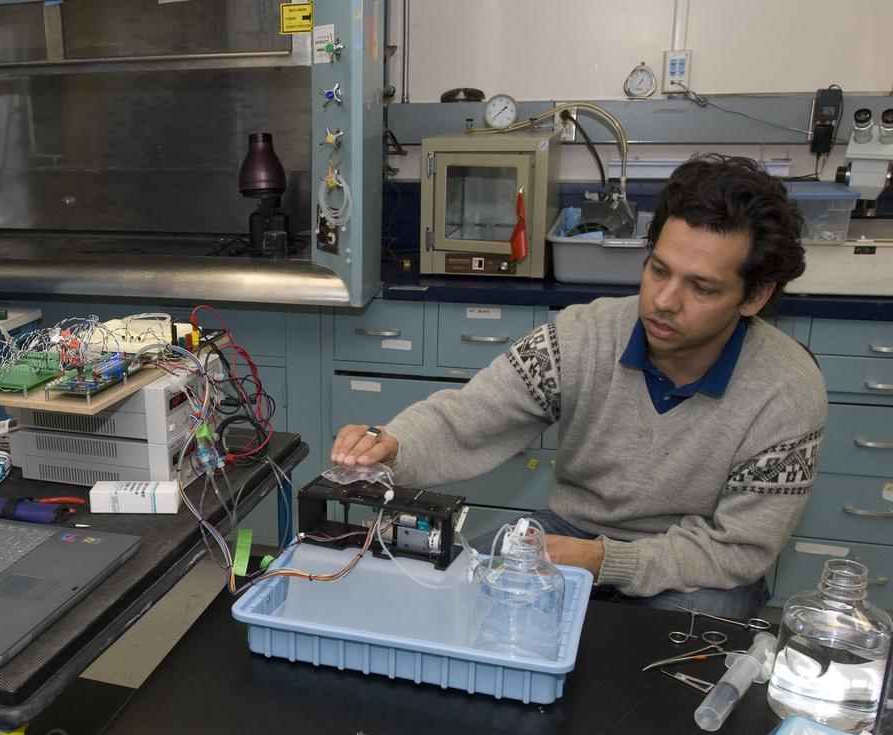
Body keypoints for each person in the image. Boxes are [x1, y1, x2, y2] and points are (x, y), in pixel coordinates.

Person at [332, 154, 827, 619]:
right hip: (571, 529)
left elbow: (737, 549)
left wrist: (603, 562)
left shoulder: (788, 391)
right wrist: (395, 445)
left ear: (754, 296)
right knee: (453, 597)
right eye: (658, 270)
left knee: (647, 660)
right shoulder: (581, 335)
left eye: (701, 287)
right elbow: (473, 417)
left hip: (698, 562)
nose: (664, 301)